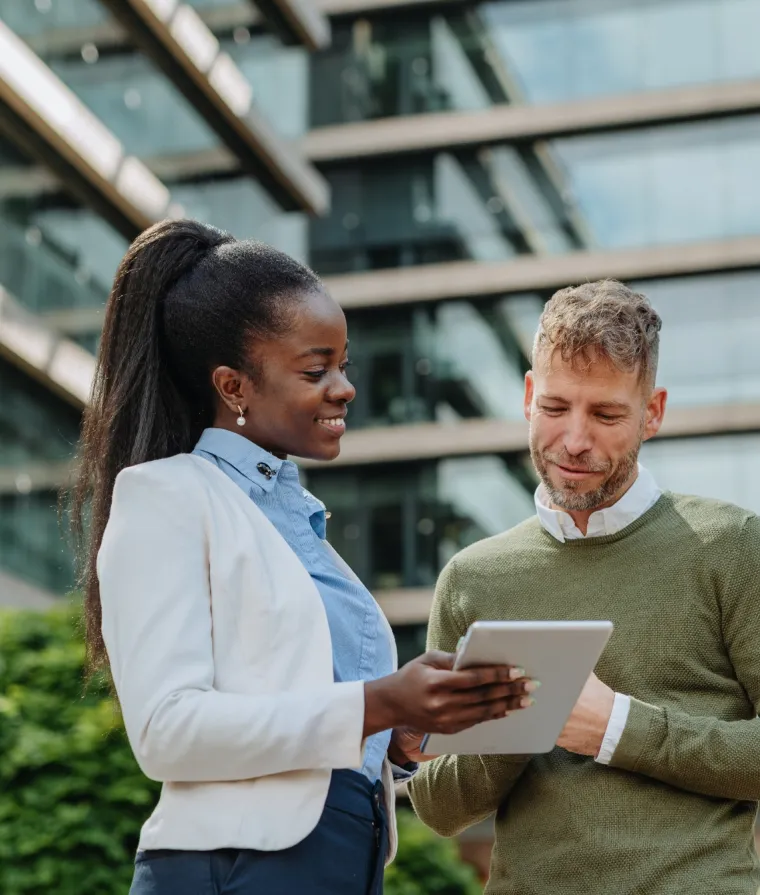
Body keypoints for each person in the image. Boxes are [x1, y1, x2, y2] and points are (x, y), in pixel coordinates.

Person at [71, 219, 535, 895]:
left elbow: (306, 713)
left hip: (339, 863)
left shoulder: (297, 526)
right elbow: (166, 731)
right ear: (234, 386)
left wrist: (401, 729)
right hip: (234, 868)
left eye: (343, 365)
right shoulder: (166, 495)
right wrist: (377, 702)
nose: (344, 387)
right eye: (316, 370)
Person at [408, 279, 760, 895]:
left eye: (606, 414)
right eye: (554, 407)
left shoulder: (731, 546)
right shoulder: (471, 578)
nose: (574, 441)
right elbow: (438, 807)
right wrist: (522, 719)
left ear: (653, 413)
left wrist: (617, 727)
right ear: (527, 396)